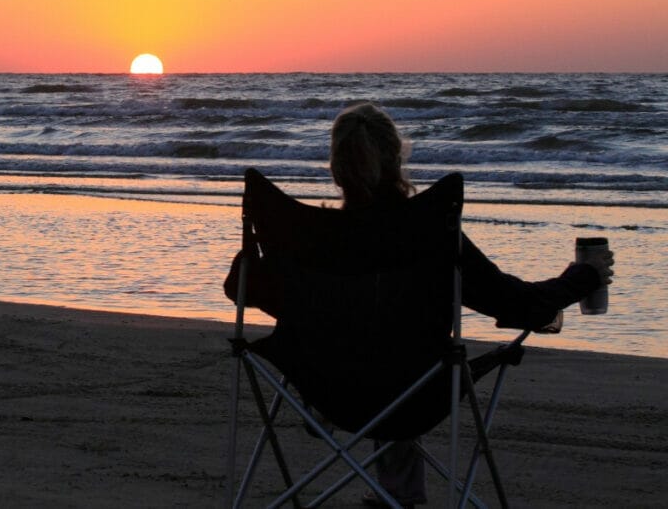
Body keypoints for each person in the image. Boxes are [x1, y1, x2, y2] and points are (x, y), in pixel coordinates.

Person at [224, 101, 615, 507]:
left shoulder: (306, 239)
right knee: (398, 350)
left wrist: (307, 302)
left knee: (373, 338)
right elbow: (519, 306)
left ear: (336, 168)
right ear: (396, 159)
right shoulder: (428, 232)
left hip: (325, 390)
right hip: (413, 394)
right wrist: (583, 278)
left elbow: (239, 289)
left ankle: (397, 492)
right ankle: (397, 493)